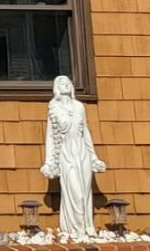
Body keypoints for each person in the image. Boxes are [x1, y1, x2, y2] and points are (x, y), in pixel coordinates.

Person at [40, 74, 107, 241]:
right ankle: (75, 228)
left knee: (85, 191)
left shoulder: (79, 106)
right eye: (61, 83)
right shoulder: (53, 108)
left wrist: (94, 157)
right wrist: (49, 162)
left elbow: (86, 133)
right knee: (75, 191)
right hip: (65, 154)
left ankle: (86, 226)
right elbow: (50, 137)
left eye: (68, 82)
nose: (66, 85)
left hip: (82, 152)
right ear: (56, 87)